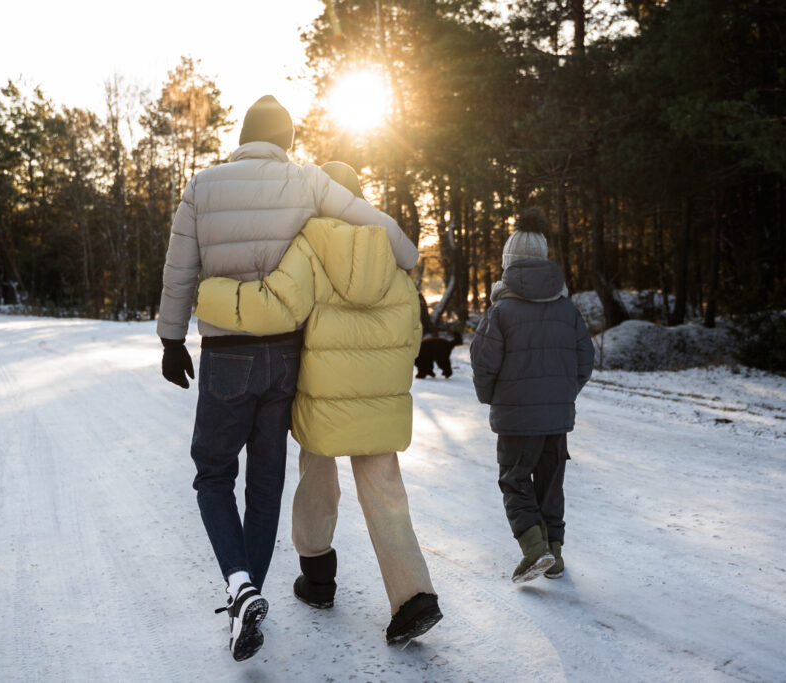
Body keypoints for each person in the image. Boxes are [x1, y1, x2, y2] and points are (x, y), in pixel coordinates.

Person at [157, 98, 418, 661]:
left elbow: (180, 267)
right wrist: (408, 255)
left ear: (243, 135)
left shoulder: (203, 185)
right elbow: (372, 222)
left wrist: (171, 337)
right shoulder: (304, 181)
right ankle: (247, 595)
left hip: (226, 353)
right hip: (284, 356)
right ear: (287, 141)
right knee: (267, 481)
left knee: (212, 474)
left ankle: (240, 586)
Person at [195, 162, 441, 645]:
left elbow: (276, 306)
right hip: (379, 398)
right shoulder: (390, 249)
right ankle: (414, 598)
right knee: (386, 492)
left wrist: (209, 294)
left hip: (321, 394)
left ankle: (318, 577)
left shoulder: (310, 244)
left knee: (316, 476)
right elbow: (412, 331)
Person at [469, 207, 595, 583]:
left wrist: (493, 397)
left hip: (516, 419)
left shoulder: (501, 309)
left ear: (509, 263)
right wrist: (561, 394)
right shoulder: (567, 309)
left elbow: (483, 362)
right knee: (550, 482)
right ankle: (554, 554)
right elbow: (585, 360)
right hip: (557, 418)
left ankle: (534, 549)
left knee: (514, 479)